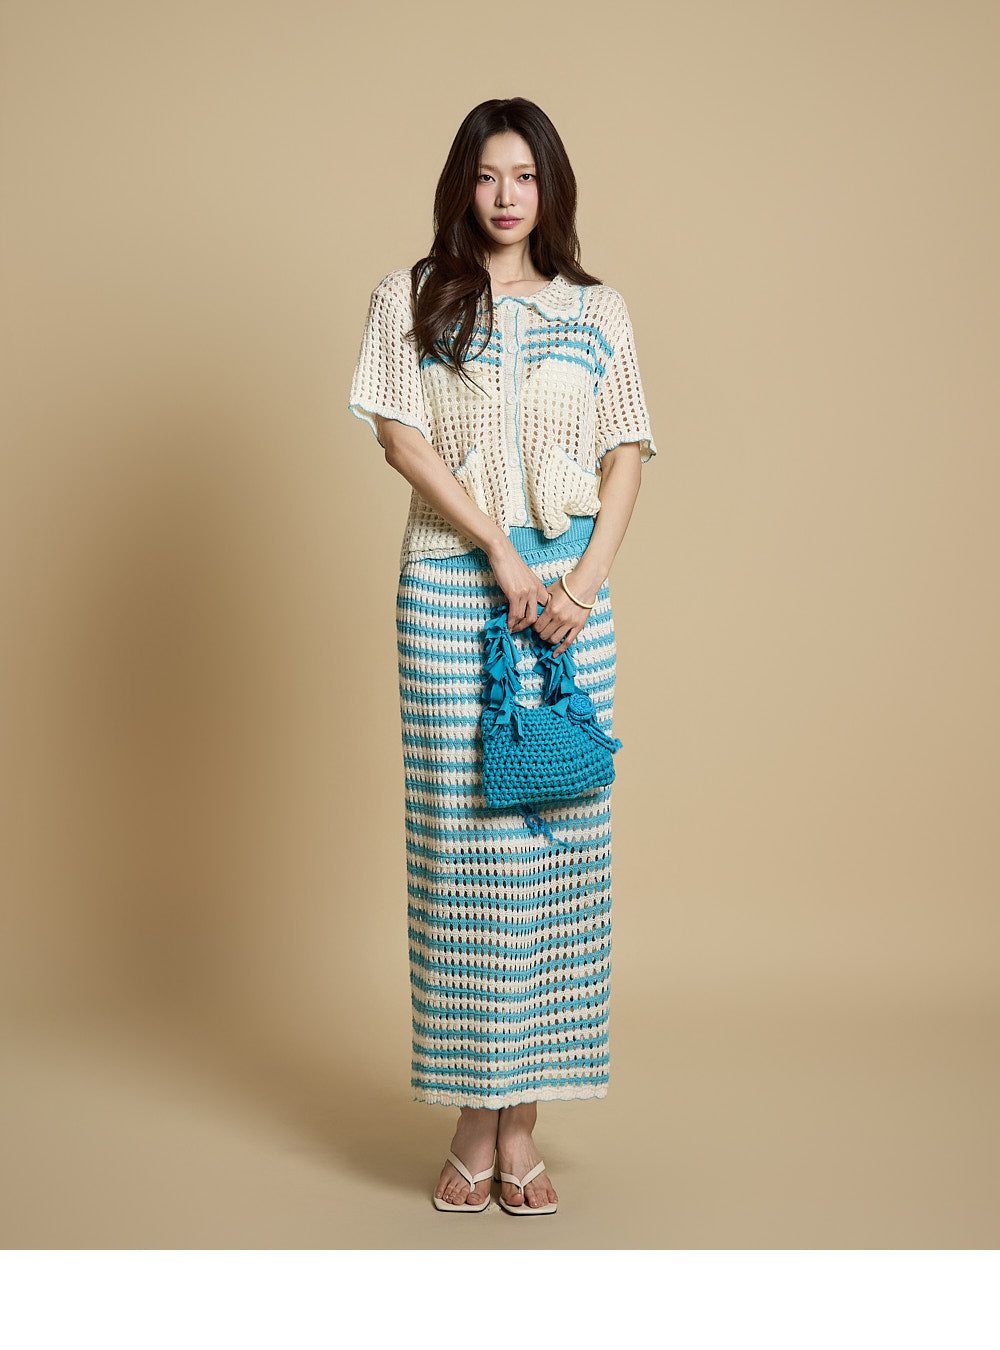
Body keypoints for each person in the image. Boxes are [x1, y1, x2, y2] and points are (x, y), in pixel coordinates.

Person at [347, 96, 657, 1214]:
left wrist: (581, 583)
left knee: (557, 857)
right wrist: (498, 549)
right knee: (461, 854)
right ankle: (472, 1116)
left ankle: (522, 1122)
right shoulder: (410, 296)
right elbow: (399, 436)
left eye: (525, 174)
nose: (507, 195)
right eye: (487, 174)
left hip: (571, 610)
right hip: (450, 594)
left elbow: (628, 453)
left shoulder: (597, 311)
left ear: (550, 186)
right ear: (462, 185)